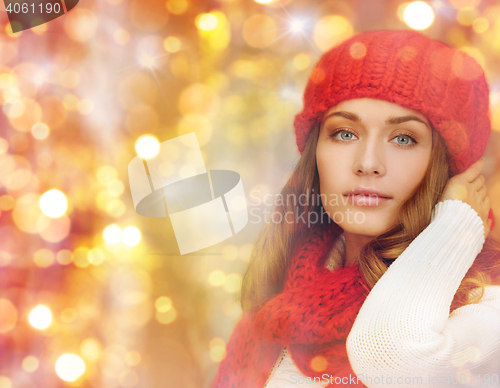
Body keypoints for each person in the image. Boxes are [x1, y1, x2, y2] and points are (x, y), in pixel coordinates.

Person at [210, 30, 500, 388]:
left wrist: (453, 229)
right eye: (345, 133)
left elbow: (393, 358)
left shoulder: (486, 306)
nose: (368, 163)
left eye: (404, 138)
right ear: (315, 151)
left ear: (452, 169)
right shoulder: (278, 306)